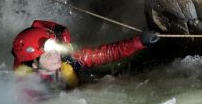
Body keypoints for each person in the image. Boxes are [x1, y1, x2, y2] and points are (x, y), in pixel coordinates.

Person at [11, 20, 159, 94]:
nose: (56, 55)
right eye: (49, 54)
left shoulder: (67, 60)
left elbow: (103, 54)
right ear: (35, 64)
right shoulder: (27, 90)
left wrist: (139, 42)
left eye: (55, 49)